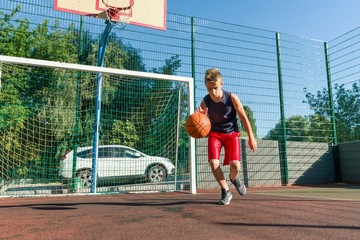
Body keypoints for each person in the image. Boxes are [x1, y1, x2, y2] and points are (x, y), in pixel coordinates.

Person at [197, 68, 257, 205]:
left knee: (235, 165)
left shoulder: (232, 98)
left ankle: (233, 179)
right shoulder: (205, 102)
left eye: (215, 88)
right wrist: (200, 116)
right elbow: (199, 123)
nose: (213, 92)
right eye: (209, 89)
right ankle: (225, 190)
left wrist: (251, 137)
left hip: (231, 134)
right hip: (215, 134)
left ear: (222, 84)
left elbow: (244, 117)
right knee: (213, 162)